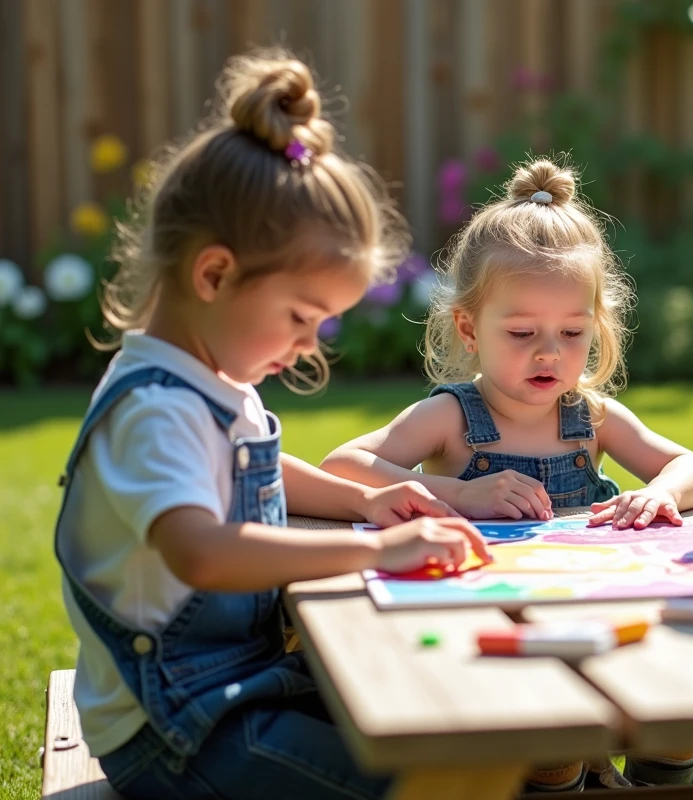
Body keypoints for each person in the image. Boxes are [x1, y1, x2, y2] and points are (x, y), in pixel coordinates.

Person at [54, 48, 488, 800]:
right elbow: (202, 553)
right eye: (299, 316)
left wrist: (363, 502)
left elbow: (253, 467)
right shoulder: (157, 410)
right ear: (214, 274)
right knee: (434, 781)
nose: (306, 343)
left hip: (238, 688)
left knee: (436, 716)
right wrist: (378, 551)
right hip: (181, 732)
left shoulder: (210, 382)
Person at [321, 158, 693, 790]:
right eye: (523, 331)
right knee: (548, 753)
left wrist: (659, 492)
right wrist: (456, 492)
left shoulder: (590, 415)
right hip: (487, 641)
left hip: (597, 623)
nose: (549, 352)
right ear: (470, 329)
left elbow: (690, 467)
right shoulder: (450, 414)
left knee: (675, 732)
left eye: (572, 332)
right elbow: (344, 464)